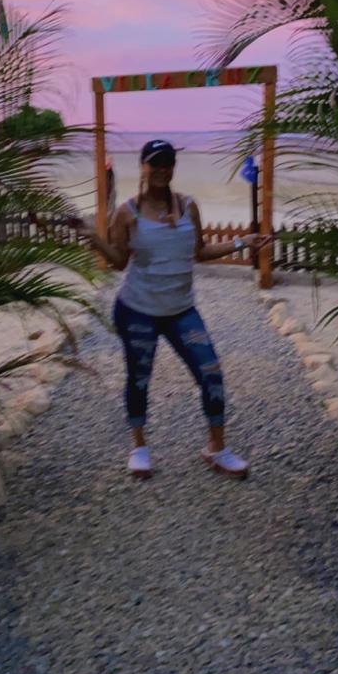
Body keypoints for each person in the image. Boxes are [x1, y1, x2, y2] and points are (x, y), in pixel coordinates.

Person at [86, 140, 270, 480]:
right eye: (154, 163)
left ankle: (216, 448)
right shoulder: (127, 212)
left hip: (181, 310)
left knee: (211, 371)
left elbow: (200, 252)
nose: (161, 169)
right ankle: (139, 447)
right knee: (139, 378)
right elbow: (119, 263)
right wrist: (94, 239)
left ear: (173, 167)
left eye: (167, 163)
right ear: (142, 166)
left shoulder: (188, 206)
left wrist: (245, 241)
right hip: (137, 310)